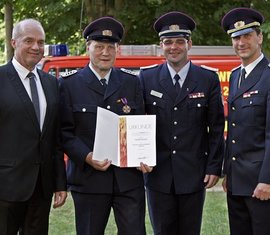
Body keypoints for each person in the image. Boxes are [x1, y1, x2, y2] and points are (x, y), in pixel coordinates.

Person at [59, 16, 152, 235]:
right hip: (89, 181)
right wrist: (86, 156)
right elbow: (64, 133)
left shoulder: (131, 82)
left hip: (128, 180)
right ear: (88, 47)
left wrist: (144, 155)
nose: (105, 52)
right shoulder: (69, 84)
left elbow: (140, 125)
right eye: (99, 46)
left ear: (117, 49)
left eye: (111, 47)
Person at [139, 11, 225, 235]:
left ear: (190, 44)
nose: (173, 47)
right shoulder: (146, 78)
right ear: (161, 46)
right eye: (168, 42)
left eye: (179, 41)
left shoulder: (207, 79)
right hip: (158, 175)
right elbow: (137, 123)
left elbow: (216, 128)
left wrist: (214, 167)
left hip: (193, 174)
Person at [0, 19, 67, 235]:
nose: (36, 47)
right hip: (5, 188)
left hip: (42, 187)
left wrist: (59, 183)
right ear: (13, 42)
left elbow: (54, 138)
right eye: (28, 40)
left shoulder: (51, 83)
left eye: (41, 42)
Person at [221, 7, 270, 235]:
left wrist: (267, 180)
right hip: (237, 182)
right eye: (236, 38)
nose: (242, 42)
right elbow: (235, 130)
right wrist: (228, 174)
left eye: (247, 36)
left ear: (259, 37)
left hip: (261, 183)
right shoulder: (235, 76)